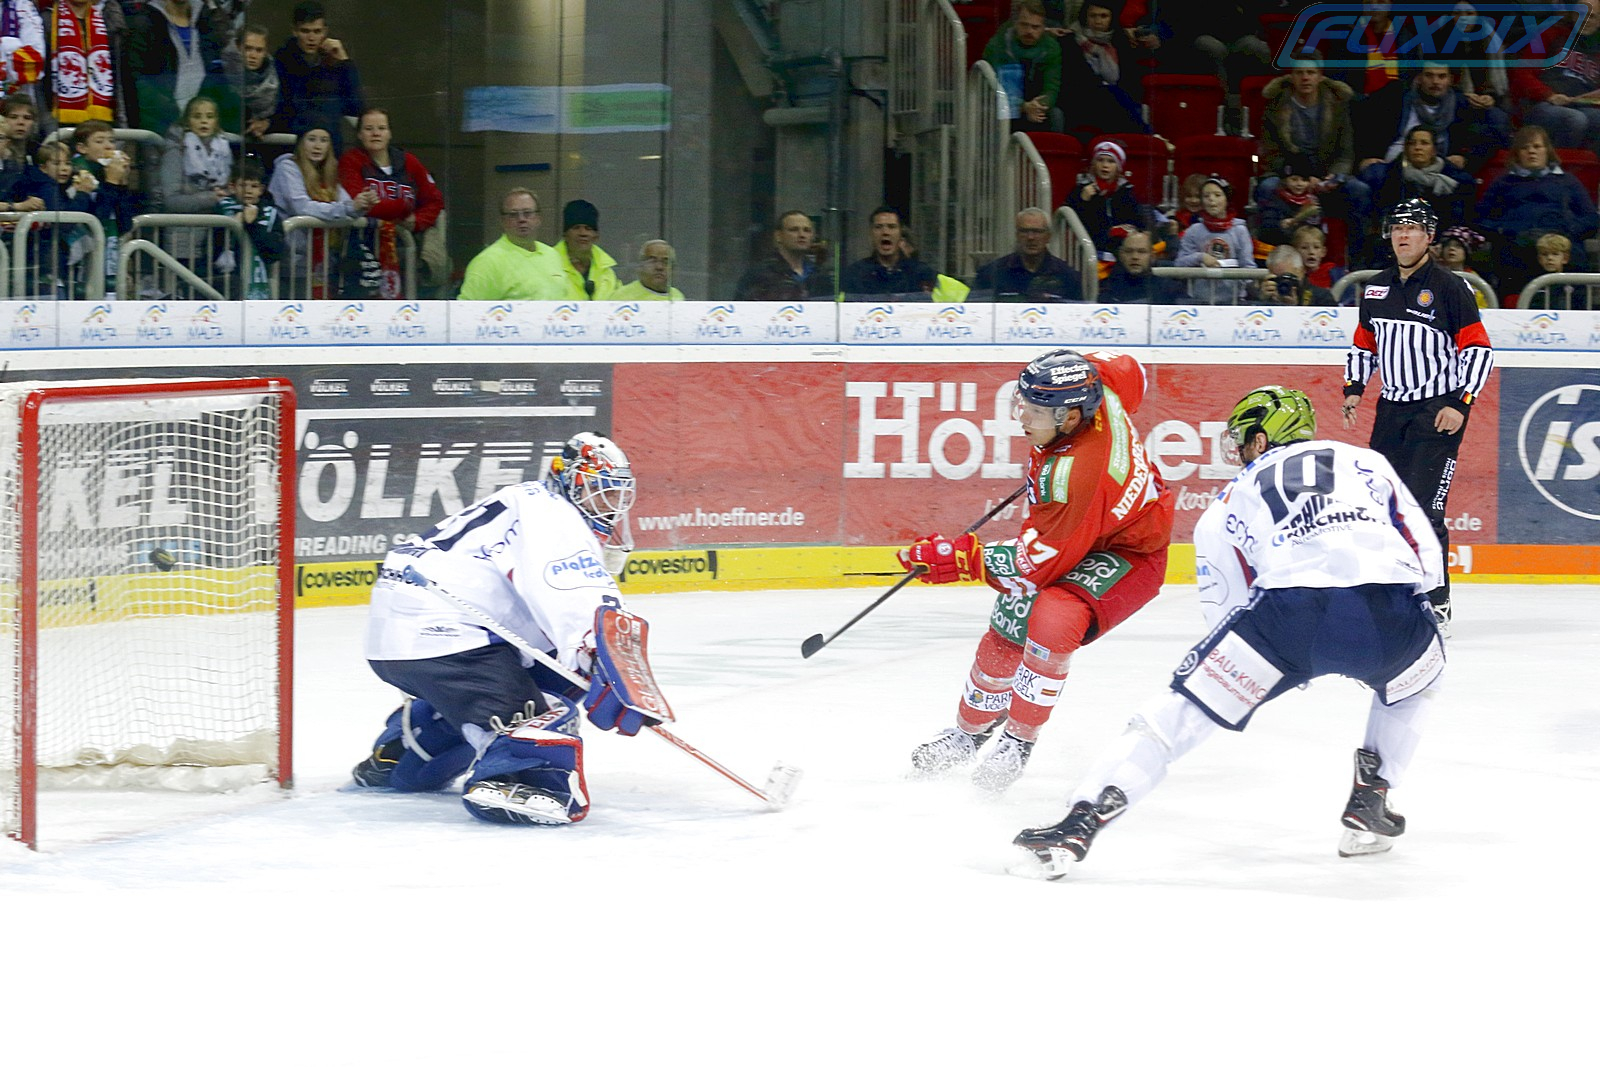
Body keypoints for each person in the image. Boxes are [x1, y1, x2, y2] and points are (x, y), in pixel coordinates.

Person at [1012, 386, 1446, 877]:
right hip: (1389, 610)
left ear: (1261, 440)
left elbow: (1226, 604)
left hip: (1288, 617)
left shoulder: (1226, 500)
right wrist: (1416, 625)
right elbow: (1424, 547)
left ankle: (1079, 824)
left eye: (1242, 441)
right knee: (1418, 684)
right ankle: (1372, 797)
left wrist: (1262, 666)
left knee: (1174, 718)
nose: (1238, 452)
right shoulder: (1364, 461)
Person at [903, 349, 1174, 792]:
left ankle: (1017, 741)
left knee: (1052, 617)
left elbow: (1034, 565)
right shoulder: (1100, 382)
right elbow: (1133, 371)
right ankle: (970, 733)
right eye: (1023, 403)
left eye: (1035, 411)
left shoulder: (1075, 476)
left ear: (1071, 417)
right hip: (1089, 526)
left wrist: (963, 559)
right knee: (1010, 620)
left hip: (1129, 552)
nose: (1022, 418)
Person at [355, 432, 653, 827]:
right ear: (569, 482)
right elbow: (571, 589)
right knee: (550, 710)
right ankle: (515, 780)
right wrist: (606, 658)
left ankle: (406, 752)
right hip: (446, 634)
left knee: (556, 669)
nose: (609, 505)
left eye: (616, 495)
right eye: (600, 493)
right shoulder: (555, 513)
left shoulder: (525, 501)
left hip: (403, 639)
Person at [1342, 198, 1495, 636]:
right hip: (1390, 411)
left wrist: (1460, 404)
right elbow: (1364, 346)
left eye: (1412, 228)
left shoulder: (1450, 288)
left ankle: (1437, 601)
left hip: (1436, 411)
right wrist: (1354, 388)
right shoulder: (1376, 288)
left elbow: (1478, 350)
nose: (1403, 235)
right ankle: (1393, 597)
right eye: (1397, 228)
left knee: (1426, 512)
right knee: (1384, 509)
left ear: (1429, 237)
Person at [1259, 55, 1373, 266]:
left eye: (1310, 73)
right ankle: (1274, 262)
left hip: (1326, 174)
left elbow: (1345, 152)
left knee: (1359, 190)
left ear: (1320, 77)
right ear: (1291, 77)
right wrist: (1294, 177)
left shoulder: (1337, 105)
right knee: (1267, 187)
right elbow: (1270, 151)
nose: (1305, 78)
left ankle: (1359, 263)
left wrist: (1333, 176)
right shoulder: (1276, 105)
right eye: (1299, 73)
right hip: (1288, 174)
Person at [1477, 124, 1599, 302]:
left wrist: (1566, 232)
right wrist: (1506, 232)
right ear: (1517, 153)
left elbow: (1591, 218)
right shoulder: (1503, 183)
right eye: (1525, 148)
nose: (1531, 152)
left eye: (1537, 146)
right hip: (1517, 248)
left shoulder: (1567, 181)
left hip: (1560, 246)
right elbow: (1480, 220)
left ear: (1547, 150)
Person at [338, 106, 444, 300]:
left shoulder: (409, 161)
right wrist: (404, 208)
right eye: (369, 129)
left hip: (407, 250)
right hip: (365, 249)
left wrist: (417, 221)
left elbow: (435, 200)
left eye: (381, 128)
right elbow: (363, 205)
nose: (376, 133)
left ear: (389, 133)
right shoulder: (350, 161)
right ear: (359, 134)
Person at [268, 124, 378, 296]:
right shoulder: (287, 168)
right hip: (291, 263)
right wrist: (350, 207)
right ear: (301, 143)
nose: (317, 146)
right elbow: (302, 207)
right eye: (311, 139)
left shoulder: (330, 170)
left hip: (326, 262)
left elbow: (346, 204)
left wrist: (362, 204)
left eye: (324, 140)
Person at [126, 0, 230, 137]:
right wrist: (170, 113)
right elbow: (136, 78)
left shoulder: (207, 19)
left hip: (204, 124)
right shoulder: (145, 22)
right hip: (162, 126)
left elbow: (218, 74)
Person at [157, 94, 234, 269]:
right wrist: (210, 198)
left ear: (217, 121)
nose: (203, 121)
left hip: (214, 241)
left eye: (209, 116)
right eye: (197, 116)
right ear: (187, 121)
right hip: (183, 242)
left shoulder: (224, 150)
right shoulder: (176, 150)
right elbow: (171, 200)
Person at [273, 0, 363, 143]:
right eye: (305, 31)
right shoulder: (282, 60)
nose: (311, 38)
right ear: (294, 31)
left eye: (317, 31)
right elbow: (286, 107)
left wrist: (344, 61)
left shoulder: (335, 63)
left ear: (325, 31)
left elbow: (356, 107)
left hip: (330, 142)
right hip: (296, 140)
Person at [457, 187, 565, 301]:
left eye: (527, 213)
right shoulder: (487, 262)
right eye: (513, 214)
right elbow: (466, 309)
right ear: (502, 221)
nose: (521, 219)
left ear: (538, 218)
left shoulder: (552, 254)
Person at [1058, 0, 1146, 137]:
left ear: (1111, 18)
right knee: (1112, 96)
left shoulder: (1120, 40)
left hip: (1114, 98)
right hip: (1082, 97)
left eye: (1103, 16)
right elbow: (1076, 78)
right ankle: (1145, 135)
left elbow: (1129, 77)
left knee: (1116, 97)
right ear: (1085, 17)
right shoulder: (1070, 40)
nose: (1098, 21)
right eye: (1093, 16)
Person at [982, 0, 1064, 134]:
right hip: (1002, 103)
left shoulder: (1051, 48)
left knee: (1056, 115)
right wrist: (1023, 106)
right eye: (1024, 25)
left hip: (1034, 104)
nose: (1029, 31)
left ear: (1044, 28)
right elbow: (996, 87)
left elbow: (1052, 86)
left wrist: (1039, 106)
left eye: (1035, 27)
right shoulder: (999, 45)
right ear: (1015, 23)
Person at [1174, 175, 1255, 304]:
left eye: (1217, 195)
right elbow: (1179, 264)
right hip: (1199, 301)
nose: (1211, 199)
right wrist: (1200, 257)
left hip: (1234, 301)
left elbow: (1249, 267)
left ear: (1227, 199)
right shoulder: (1193, 231)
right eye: (1206, 196)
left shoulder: (1240, 230)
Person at [973, 207, 1081, 301]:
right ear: (1017, 235)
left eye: (1037, 231)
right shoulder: (991, 273)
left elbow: (1077, 314)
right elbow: (976, 312)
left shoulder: (1067, 276)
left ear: (1048, 236)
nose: (1030, 237)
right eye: (1024, 231)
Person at [215, 156, 284, 299]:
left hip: (260, 289)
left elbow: (275, 253)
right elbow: (212, 246)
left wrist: (253, 224)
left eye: (254, 186)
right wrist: (231, 227)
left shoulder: (271, 213)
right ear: (232, 187)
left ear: (261, 189)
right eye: (242, 185)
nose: (248, 190)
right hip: (226, 286)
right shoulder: (221, 209)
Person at [1072, 140, 1148, 264]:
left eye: (1111, 161)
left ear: (1118, 167)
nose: (1105, 165)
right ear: (1093, 164)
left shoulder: (1126, 191)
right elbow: (1072, 223)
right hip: (1089, 252)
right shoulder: (1081, 190)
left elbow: (1138, 223)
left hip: (1122, 250)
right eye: (1100, 160)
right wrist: (1083, 201)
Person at [839, 206, 938, 298]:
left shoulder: (923, 274)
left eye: (892, 227)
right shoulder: (854, 275)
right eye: (878, 227)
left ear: (901, 233)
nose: (885, 232)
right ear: (871, 233)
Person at [735, 209, 834, 300]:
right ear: (778, 236)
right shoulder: (759, 275)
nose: (802, 235)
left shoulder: (820, 276)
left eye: (807, 230)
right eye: (794, 230)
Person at [48, 0, 119, 126]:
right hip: (57, 115)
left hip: (103, 113)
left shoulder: (107, 18)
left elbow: (118, 70)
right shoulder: (48, 19)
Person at [1098, 228, 1185, 303]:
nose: (1135, 257)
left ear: (1152, 256)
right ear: (1121, 255)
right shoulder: (1107, 289)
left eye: (1141, 252)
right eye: (1129, 251)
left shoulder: (1170, 289)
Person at [554, 198, 619, 300]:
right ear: (565, 234)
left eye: (588, 228)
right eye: (576, 227)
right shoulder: (549, 265)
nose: (583, 233)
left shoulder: (607, 273)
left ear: (596, 236)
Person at [226, 22, 279, 141]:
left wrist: (267, 124)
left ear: (265, 52)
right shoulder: (221, 74)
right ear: (238, 47)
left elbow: (286, 114)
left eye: (259, 50)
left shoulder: (278, 77)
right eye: (248, 49)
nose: (253, 55)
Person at [1525, 232, 1589, 310]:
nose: (1549, 258)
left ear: (1565, 258)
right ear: (1539, 259)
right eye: (1545, 254)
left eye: (1555, 254)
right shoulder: (1532, 281)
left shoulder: (1575, 282)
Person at [1257, 245, 1335, 307]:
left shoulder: (1322, 297)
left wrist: (1295, 308)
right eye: (1277, 278)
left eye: (1286, 277)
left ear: (1301, 271)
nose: (1282, 283)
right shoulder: (1257, 292)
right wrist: (1262, 301)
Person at [0, 1, 45, 104]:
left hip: (17, 104)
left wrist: (4, 46)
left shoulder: (23, 6)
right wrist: (12, 48)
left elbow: (34, 62)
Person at [615, 239, 683, 300]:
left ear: (673, 269)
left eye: (665, 262)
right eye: (652, 261)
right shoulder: (622, 296)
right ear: (640, 266)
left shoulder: (677, 296)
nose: (659, 267)